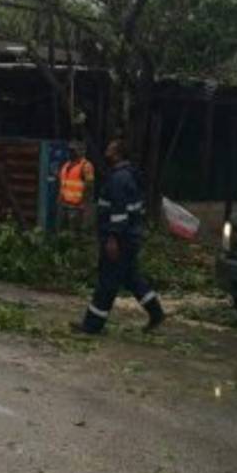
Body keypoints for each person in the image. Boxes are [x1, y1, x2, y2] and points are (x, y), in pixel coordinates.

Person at [73, 138, 165, 335]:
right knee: (131, 278)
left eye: (110, 149)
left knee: (107, 281)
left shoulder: (119, 179)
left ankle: (92, 325)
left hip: (120, 239)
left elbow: (119, 213)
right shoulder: (129, 175)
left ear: (117, 154)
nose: (106, 151)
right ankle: (156, 313)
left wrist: (112, 238)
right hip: (130, 237)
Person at [58, 141, 96, 232]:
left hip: (77, 206)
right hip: (64, 204)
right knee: (63, 231)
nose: (71, 152)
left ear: (81, 151)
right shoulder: (66, 165)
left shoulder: (86, 166)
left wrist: (84, 204)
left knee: (74, 232)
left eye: (73, 150)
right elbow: (63, 183)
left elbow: (89, 186)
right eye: (70, 150)